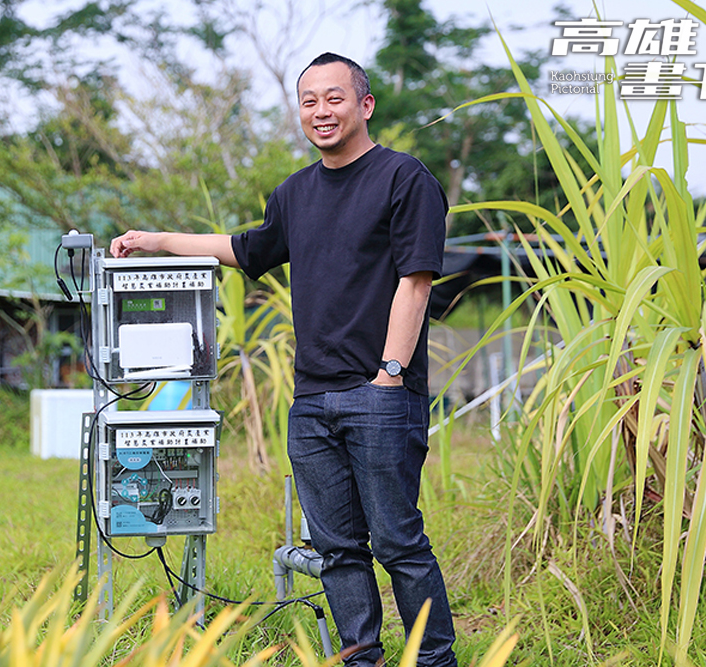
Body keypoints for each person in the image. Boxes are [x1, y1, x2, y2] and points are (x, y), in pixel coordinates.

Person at [111, 52, 457, 667]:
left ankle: (434, 660)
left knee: (399, 542)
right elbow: (244, 249)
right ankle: (362, 659)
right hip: (313, 401)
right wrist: (155, 240)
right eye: (309, 101)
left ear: (364, 105)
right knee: (336, 547)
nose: (320, 111)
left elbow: (417, 282)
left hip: (381, 394)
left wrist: (390, 376)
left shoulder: (405, 179)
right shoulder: (295, 194)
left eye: (334, 98)